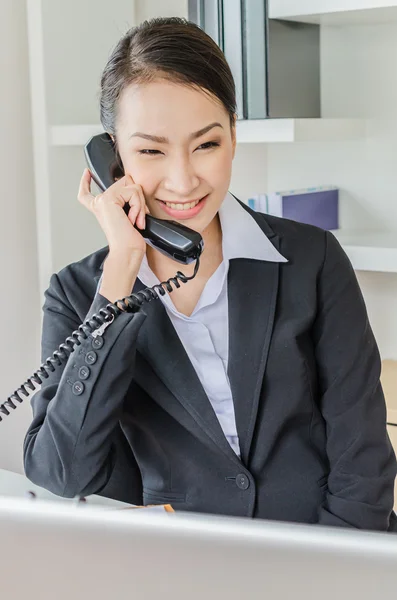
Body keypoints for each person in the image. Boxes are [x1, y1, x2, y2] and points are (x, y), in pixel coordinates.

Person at [24, 17, 396, 531]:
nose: (183, 180)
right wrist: (121, 274)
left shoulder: (313, 259)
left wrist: (329, 571)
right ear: (112, 158)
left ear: (234, 135)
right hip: (183, 567)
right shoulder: (79, 293)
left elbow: (363, 458)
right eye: (151, 150)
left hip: (326, 549)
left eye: (207, 144)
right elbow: (62, 471)